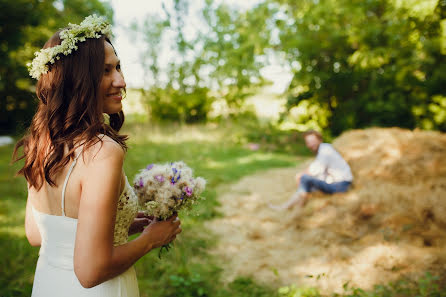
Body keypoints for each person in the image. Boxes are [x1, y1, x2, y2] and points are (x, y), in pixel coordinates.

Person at [12, 15, 181, 296]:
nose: (121, 81)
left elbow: (38, 234)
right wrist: (152, 239)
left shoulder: (40, 144)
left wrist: (122, 225)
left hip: (49, 285)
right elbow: (91, 272)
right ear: (76, 79)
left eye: (118, 67)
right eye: (105, 71)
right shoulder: (102, 151)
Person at [271, 130, 353, 210]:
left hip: (341, 186)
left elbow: (313, 171)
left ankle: (297, 209)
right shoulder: (324, 148)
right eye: (308, 142)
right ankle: (286, 207)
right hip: (338, 184)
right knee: (307, 185)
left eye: (313, 141)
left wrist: (299, 176)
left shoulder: (325, 151)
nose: (311, 144)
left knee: (304, 178)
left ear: (320, 140)